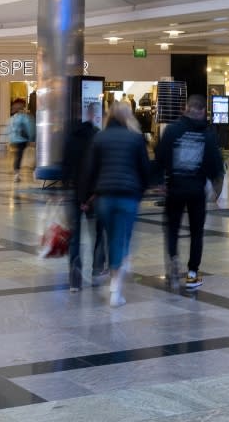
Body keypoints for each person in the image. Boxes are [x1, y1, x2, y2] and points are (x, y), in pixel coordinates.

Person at [83, 100, 151, 307]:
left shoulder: (99, 138)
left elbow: (90, 170)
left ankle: (117, 275)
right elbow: (145, 169)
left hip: (105, 197)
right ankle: (116, 287)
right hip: (128, 196)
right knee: (121, 239)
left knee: (112, 238)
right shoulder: (136, 139)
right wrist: (143, 189)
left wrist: (87, 197)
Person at [154, 94, 224, 291]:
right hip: (196, 191)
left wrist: (160, 180)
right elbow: (215, 166)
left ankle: (173, 263)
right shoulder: (207, 135)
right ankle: (192, 274)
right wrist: (215, 188)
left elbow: (160, 157)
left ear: (186, 108)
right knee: (196, 232)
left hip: (175, 188)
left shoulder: (172, 130)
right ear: (202, 112)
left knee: (172, 229)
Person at [62, 117, 108, 292]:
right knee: (97, 232)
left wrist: (65, 187)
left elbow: (65, 167)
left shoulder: (70, 139)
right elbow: (100, 167)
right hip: (93, 195)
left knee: (74, 237)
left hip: (74, 193)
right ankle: (96, 270)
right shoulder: (96, 138)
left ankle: (75, 277)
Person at [9, 98, 34, 182]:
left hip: (16, 139)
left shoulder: (14, 117)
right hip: (22, 140)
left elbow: (9, 128)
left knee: (18, 156)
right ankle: (18, 173)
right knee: (21, 156)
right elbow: (29, 128)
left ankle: (17, 174)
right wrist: (31, 138)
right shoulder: (24, 116)